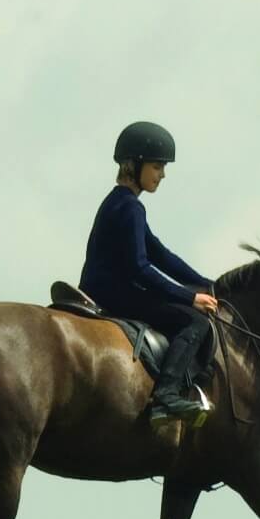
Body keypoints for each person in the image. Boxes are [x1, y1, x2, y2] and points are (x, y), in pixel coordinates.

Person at [80, 120, 220, 423]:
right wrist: (190, 299)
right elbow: (140, 268)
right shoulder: (131, 207)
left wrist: (207, 285)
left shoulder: (120, 202)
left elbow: (161, 255)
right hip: (115, 294)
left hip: (108, 288)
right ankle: (166, 396)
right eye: (157, 166)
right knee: (195, 323)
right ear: (135, 165)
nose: (163, 174)